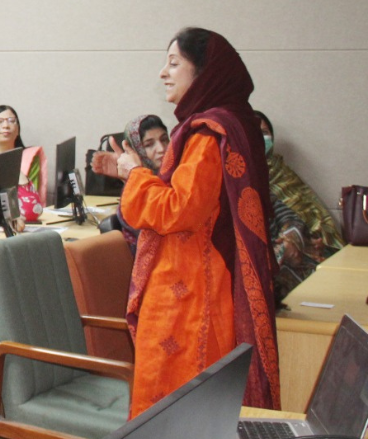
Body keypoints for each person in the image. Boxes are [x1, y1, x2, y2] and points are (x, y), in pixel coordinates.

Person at [97, 28, 280, 415]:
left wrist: (135, 175)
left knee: (176, 413)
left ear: (204, 71)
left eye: (174, 62)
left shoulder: (207, 134)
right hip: (208, 280)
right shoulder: (234, 123)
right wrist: (132, 174)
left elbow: (176, 211)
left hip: (191, 294)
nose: (163, 72)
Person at [257, 111, 344, 255]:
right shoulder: (238, 175)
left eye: (265, 132)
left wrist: (305, 239)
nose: (260, 138)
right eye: (254, 133)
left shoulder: (282, 171)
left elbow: (302, 212)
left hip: (299, 243)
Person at [113, 115, 171, 252]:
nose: (162, 149)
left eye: (164, 140)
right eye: (149, 144)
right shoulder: (134, 191)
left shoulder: (178, 177)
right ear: (136, 151)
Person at [0, 105, 46, 211]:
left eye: (11, 121)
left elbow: (33, 200)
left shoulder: (30, 157)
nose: (5, 125)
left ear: (18, 130)